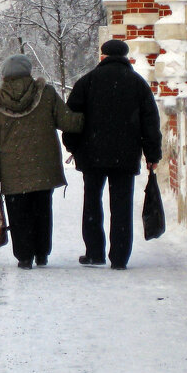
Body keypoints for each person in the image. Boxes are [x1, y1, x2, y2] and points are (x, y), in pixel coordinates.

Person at [62, 39, 162, 270]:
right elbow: (150, 122)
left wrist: (73, 147)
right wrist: (152, 155)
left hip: (92, 154)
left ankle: (95, 253)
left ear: (103, 56)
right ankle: (119, 257)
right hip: (126, 156)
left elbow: (72, 119)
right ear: (126, 57)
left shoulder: (87, 82)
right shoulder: (138, 84)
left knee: (92, 202)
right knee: (122, 205)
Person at [0, 54, 83, 270]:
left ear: (4, 75)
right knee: (42, 209)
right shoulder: (45, 94)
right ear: (28, 71)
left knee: (18, 212)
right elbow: (67, 121)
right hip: (43, 166)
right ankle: (41, 253)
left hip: (12, 169)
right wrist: (91, 116)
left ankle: (24, 256)